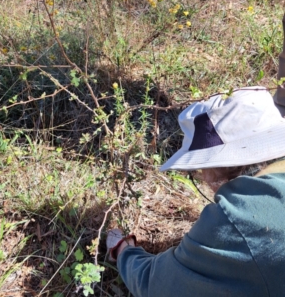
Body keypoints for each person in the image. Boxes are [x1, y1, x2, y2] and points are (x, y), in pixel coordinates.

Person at [107, 86, 285, 297]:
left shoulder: (238, 218)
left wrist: (123, 251)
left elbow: (156, 285)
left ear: (219, 169)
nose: (203, 179)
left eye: (200, 171)